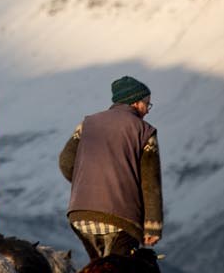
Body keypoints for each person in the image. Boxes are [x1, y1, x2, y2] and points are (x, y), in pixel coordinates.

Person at [58, 76, 162, 261]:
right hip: (121, 218)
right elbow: (150, 183)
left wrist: (87, 184)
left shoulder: (86, 124)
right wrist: (153, 227)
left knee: (99, 270)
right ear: (135, 102)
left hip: (81, 215)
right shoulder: (144, 131)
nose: (147, 110)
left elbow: (66, 162)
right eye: (147, 104)